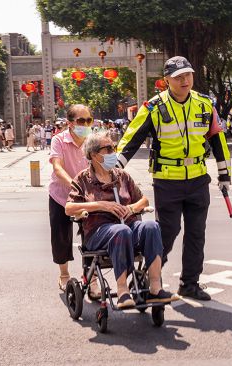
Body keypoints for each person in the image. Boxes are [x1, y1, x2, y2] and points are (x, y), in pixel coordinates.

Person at [117, 56, 231, 301]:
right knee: (167, 233)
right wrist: (111, 169)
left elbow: (217, 139)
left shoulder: (204, 104)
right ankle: (149, 276)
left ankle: (190, 283)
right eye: (178, 77)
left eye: (188, 75)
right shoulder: (154, 107)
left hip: (198, 178)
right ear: (166, 80)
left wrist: (224, 173)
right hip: (167, 180)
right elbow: (130, 139)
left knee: (196, 234)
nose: (185, 80)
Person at [65, 132, 179, 308]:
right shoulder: (82, 179)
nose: (113, 152)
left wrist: (131, 208)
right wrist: (101, 205)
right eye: (109, 148)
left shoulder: (122, 176)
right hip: (98, 232)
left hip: (128, 225)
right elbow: (69, 208)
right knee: (121, 231)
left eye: (114, 147)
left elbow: (144, 200)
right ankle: (123, 291)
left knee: (151, 226)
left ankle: (156, 287)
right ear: (94, 155)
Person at [49, 104, 100, 297]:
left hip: (88, 197)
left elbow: (103, 165)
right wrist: (75, 185)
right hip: (61, 195)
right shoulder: (58, 140)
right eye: (81, 121)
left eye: (88, 120)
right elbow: (57, 167)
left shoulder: (93, 141)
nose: (85, 124)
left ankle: (92, 278)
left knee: (93, 236)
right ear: (70, 123)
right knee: (61, 236)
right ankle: (64, 275)